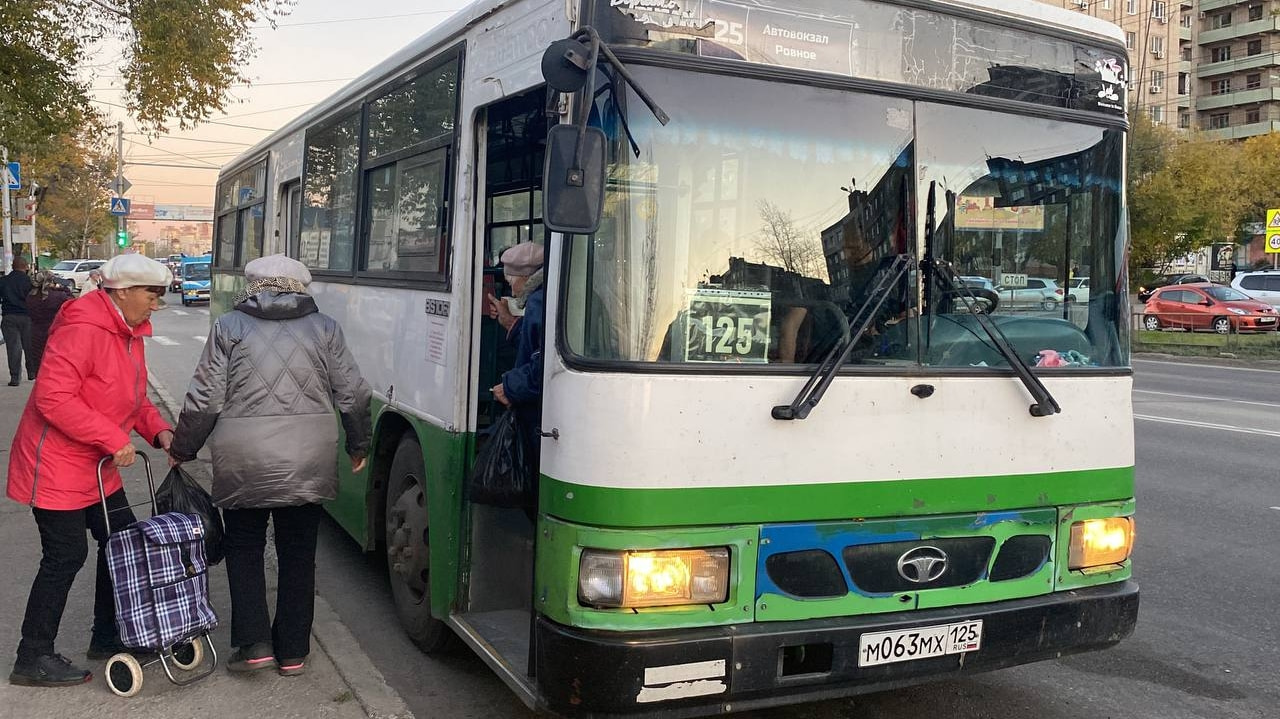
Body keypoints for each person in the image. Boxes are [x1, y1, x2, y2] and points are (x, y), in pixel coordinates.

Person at [170, 254, 371, 678]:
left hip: (245, 459)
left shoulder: (229, 327)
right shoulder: (325, 328)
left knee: (245, 548)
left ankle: (254, 644)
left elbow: (206, 398)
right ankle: (294, 651)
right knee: (299, 554)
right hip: (308, 459)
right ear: (300, 287)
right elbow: (352, 392)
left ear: (253, 286)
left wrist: (183, 447)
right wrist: (358, 444)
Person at [6, 254, 174, 687]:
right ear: (122, 292)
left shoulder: (129, 333)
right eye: (152, 294)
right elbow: (53, 398)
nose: (157, 303)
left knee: (123, 542)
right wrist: (112, 438)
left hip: (98, 467)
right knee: (65, 556)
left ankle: (108, 633)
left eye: (161, 294)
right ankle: (32, 656)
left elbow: (134, 398)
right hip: (57, 464)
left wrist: (160, 433)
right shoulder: (83, 328)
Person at [485, 243, 545, 511]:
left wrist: (508, 386)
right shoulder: (547, 295)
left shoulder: (537, 302)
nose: (510, 289)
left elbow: (541, 369)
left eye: (512, 281)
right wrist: (509, 322)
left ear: (525, 277)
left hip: (536, 416)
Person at [26, 271, 75, 378]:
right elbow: (72, 303)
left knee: (39, 364)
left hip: (35, 333)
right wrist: (63, 288)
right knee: (55, 364)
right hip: (55, 333)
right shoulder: (59, 296)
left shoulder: (30, 297)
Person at [0, 256, 35, 386]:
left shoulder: (4, 281)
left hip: (9, 316)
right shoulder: (29, 281)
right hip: (27, 316)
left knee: (13, 348)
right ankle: (31, 372)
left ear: (13, 266)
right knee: (29, 345)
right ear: (25, 267)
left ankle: (15, 377)